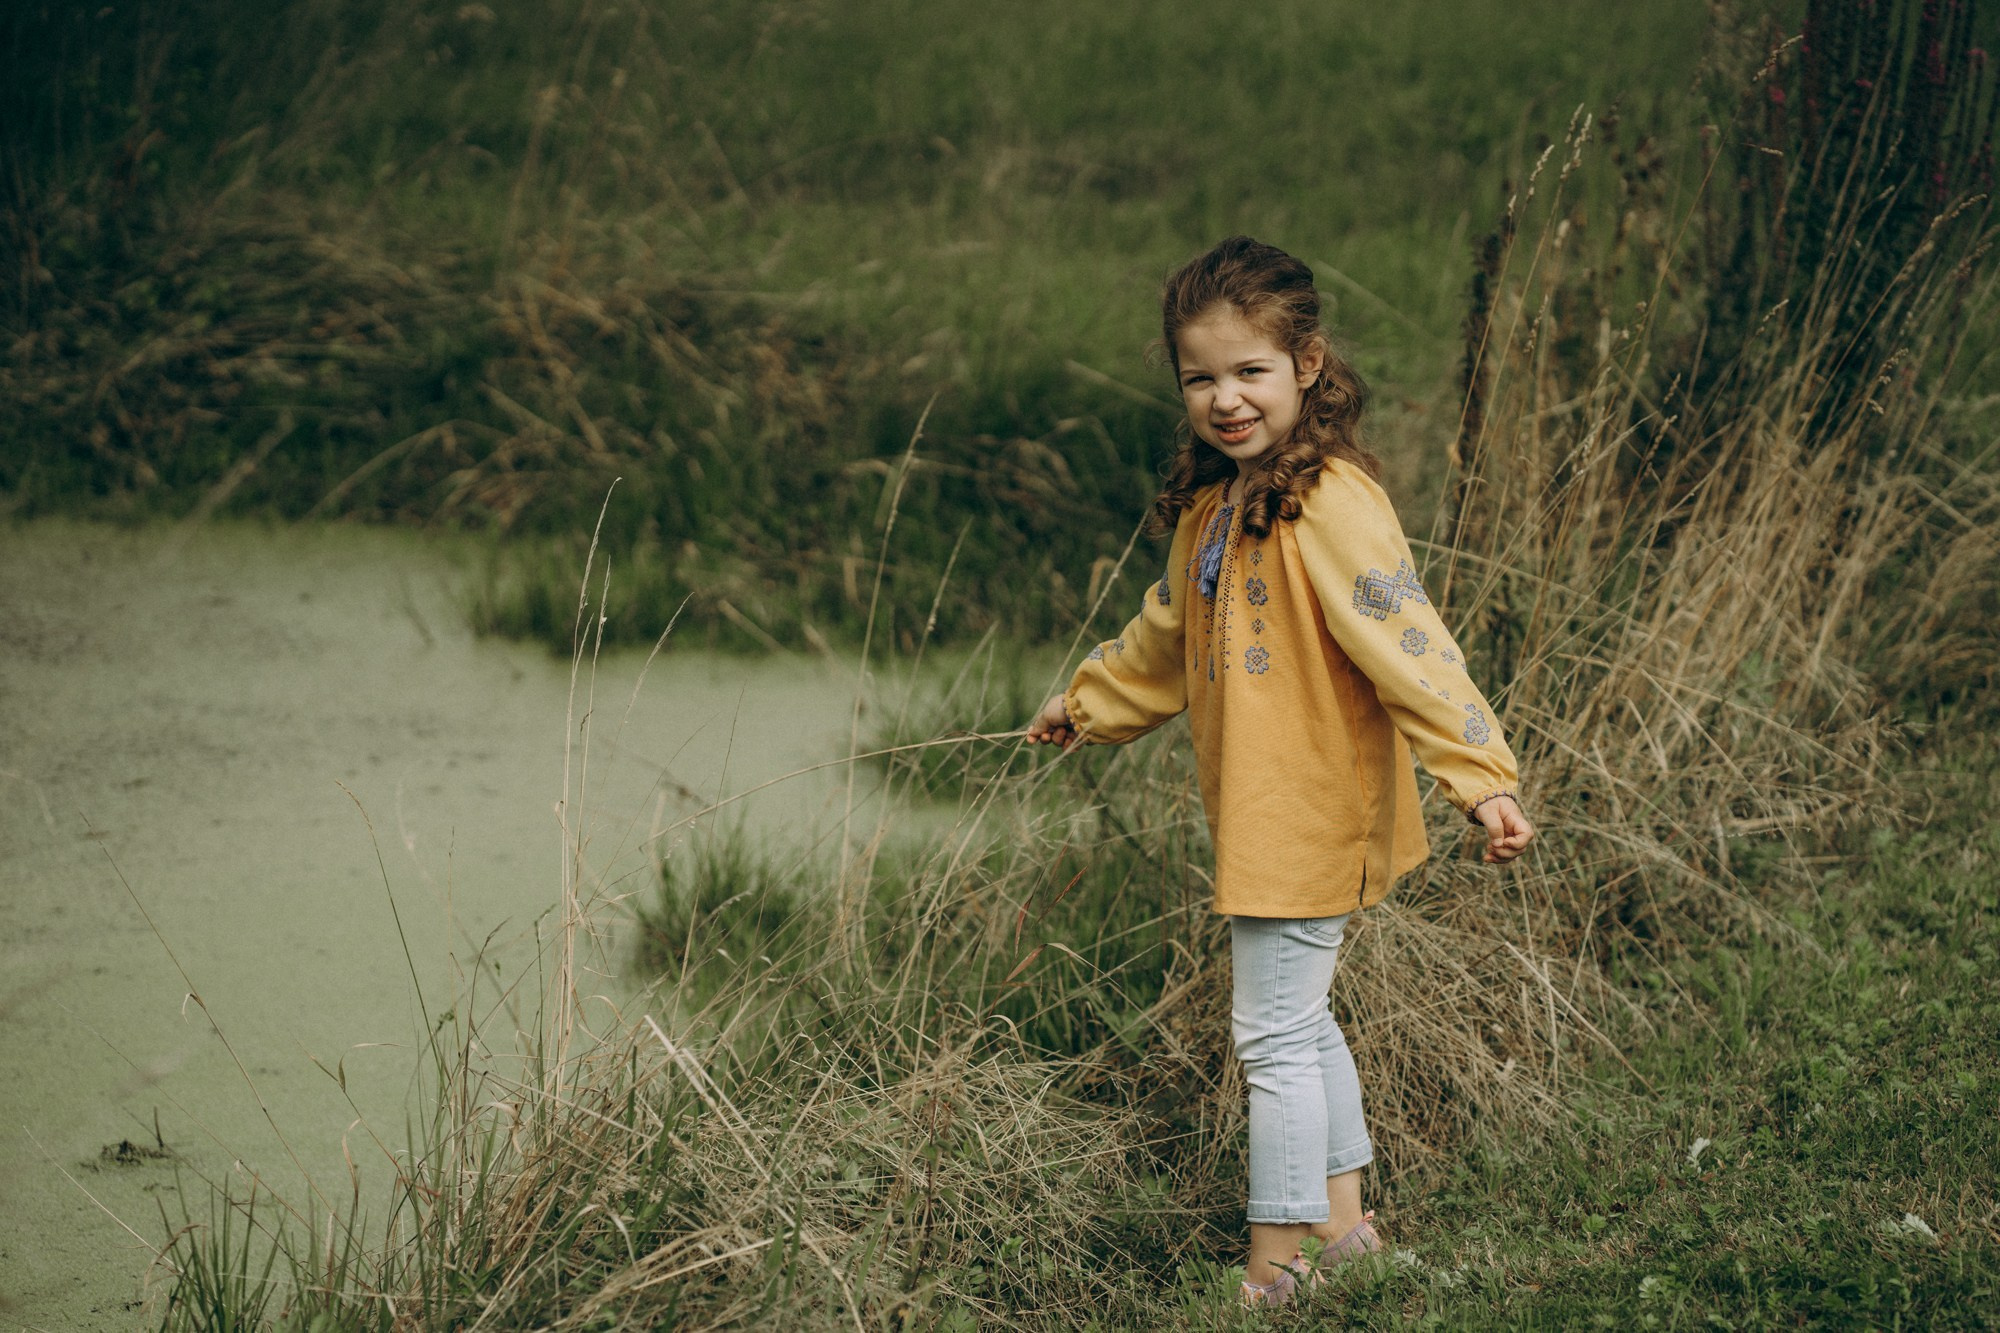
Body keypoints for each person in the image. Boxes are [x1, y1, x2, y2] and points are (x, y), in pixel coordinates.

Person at [1025, 235, 1534, 1309]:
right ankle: (1345, 1234)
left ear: (1307, 364)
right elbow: (1164, 637)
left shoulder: (1328, 502)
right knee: (1298, 1023)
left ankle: (1280, 1261)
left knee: (1268, 1037)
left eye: (1249, 371)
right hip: (1260, 813)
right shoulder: (1217, 507)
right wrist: (1089, 703)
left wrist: (1480, 776)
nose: (1224, 398)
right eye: (1199, 377)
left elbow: (1410, 644)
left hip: (1311, 812)